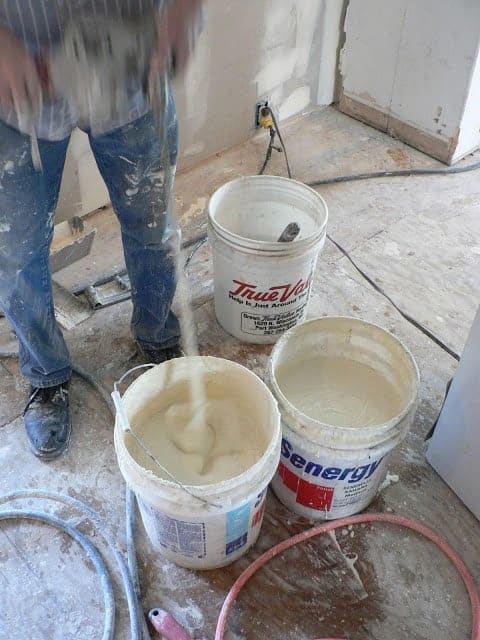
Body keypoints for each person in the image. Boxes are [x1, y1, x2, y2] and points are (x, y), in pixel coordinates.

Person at [0, 0, 202, 460]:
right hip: (16, 81)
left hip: (130, 62)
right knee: (15, 250)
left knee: (153, 223)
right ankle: (46, 374)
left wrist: (184, 11)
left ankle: (159, 337)